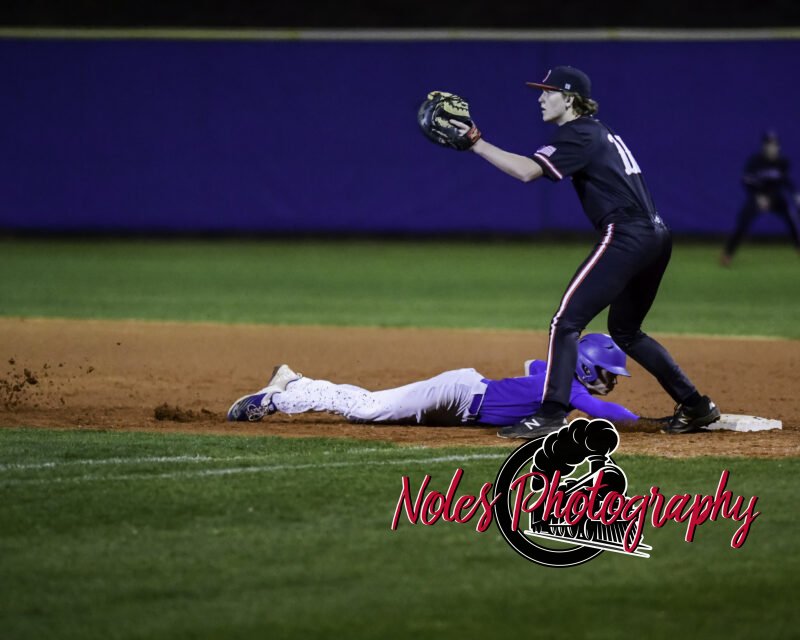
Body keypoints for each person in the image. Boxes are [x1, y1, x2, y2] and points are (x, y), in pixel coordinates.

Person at [448, 65, 719, 437]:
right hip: (656, 235)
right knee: (626, 330)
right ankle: (695, 406)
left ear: (570, 98)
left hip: (626, 233)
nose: (541, 98)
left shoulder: (578, 133)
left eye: (549, 91)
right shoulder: (598, 132)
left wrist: (477, 143)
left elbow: (528, 172)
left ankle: (551, 413)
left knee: (566, 321)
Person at [227, 334, 640, 427]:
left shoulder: (555, 377)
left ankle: (297, 383)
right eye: (607, 372)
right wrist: (646, 422)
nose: (612, 380)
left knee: (374, 407)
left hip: (464, 399)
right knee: (371, 410)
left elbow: (534, 363)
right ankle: (279, 397)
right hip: (459, 395)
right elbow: (601, 410)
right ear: (585, 366)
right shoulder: (567, 387)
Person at [720, 131, 800, 266]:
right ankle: (728, 253)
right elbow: (746, 181)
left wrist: (795, 194)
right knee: (743, 222)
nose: (772, 147)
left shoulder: (782, 162)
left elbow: (785, 181)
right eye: (769, 144)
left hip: (775, 197)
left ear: (778, 146)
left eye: (774, 145)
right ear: (764, 146)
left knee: (791, 219)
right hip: (757, 197)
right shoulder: (755, 161)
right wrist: (758, 197)